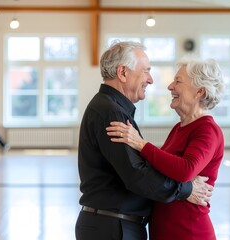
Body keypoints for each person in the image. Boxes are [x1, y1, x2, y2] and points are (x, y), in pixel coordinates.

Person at [75, 41, 213, 240]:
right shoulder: (111, 112)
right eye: (146, 71)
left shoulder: (111, 108)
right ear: (122, 72)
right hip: (114, 228)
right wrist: (186, 189)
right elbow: (137, 174)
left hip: (114, 225)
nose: (150, 80)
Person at [106, 56, 225, 240]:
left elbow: (185, 170)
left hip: (189, 231)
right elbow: (162, 168)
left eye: (178, 81)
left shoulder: (207, 130)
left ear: (199, 91)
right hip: (164, 230)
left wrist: (140, 144)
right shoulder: (179, 128)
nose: (170, 86)